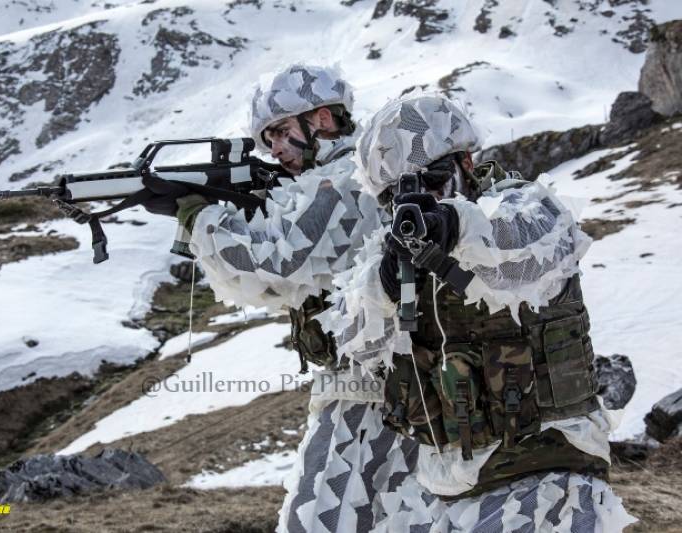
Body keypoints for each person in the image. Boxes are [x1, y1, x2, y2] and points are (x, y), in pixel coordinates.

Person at [316, 94, 637, 531]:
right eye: (394, 196)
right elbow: (354, 340)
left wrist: (455, 224)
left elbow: (521, 253)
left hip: (546, 476)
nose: (415, 202)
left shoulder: (528, 208)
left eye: (430, 181)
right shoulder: (394, 254)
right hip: (447, 492)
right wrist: (386, 285)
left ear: (466, 163)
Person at [139, 65, 419, 532]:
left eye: (282, 132)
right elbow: (290, 280)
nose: (274, 149)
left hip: (369, 386)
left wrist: (200, 218)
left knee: (318, 517)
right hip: (375, 380)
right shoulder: (342, 174)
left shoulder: (346, 179)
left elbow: (277, 258)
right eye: (268, 138)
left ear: (324, 119)